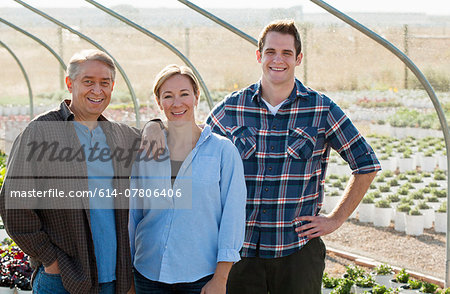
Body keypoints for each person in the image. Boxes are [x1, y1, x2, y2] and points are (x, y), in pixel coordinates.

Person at [144, 20, 380, 294]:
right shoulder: (231, 108)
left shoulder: (321, 109)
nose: (277, 60)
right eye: (270, 52)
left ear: (298, 58)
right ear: (259, 56)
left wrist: (335, 219)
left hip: (297, 252)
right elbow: (194, 144)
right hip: (238, 255)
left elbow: (366, 164)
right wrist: (155, 125)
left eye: (286, 53)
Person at [0, 49, 140, 294]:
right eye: (88, 82)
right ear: (69, 83)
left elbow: (159, 138)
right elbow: (14, 204)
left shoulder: (119, 134)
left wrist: (159, 126)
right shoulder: (42, 131)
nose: (97, 90)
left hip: (113, 279)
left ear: (112, 86)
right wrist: (51, 261)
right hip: (63, 279)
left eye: (104, 83)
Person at [129, 64, 246, 294]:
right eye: (168, 96)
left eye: (184, 94)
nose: (177, 103)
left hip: (201, 278)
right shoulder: (145, 151)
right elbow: (133, 215)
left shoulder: (223, 152)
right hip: (147, 274)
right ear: (158, 101)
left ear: (196, 97)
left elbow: (232, 218)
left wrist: (220, 279)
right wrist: (129, 278)